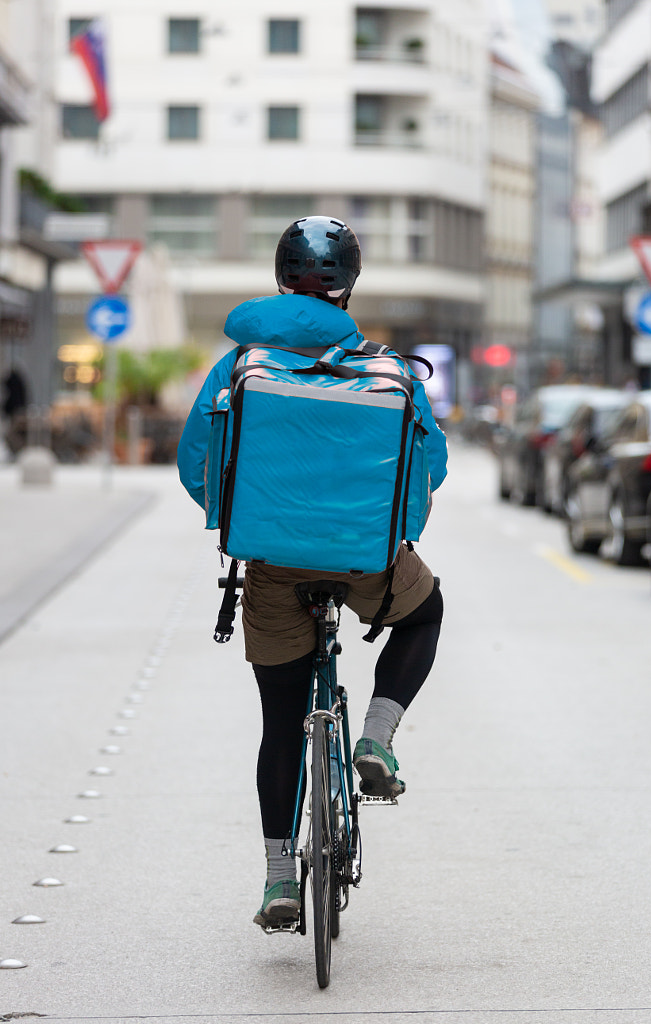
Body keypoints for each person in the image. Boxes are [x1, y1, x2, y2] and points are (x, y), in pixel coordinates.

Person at [177, 216, 448, 929]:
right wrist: (393, 532)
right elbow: (432, 467)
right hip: (368, 560)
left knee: (280, 723)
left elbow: (194, 463)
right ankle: (375, 738)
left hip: (270, 564)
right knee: (425, 612)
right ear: (348, 283)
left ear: (279, 277)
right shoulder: (386, 367)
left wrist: (238, 524)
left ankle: (277, 882)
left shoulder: (241, 364)